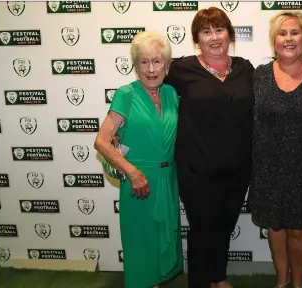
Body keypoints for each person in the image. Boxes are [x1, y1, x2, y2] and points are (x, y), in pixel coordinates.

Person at [163, 7, 255, 288]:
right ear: (196, 39)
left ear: (230, 34)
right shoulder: (182, 69)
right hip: (196, 167)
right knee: (203, 227)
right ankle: (201, 282)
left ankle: (218, 276)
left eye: (219, 30)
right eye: (206, 31)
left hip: (238, 167)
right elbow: (153, 91)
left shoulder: (245, 68)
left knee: (225, 225)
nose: (214, 37)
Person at [248, 11, 302, 288]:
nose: (288, 39)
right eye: (282, 34)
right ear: (274, 40)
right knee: (275, 228)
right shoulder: (258, 76)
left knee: (298, 230)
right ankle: (281, 282)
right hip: (267, 166)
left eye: (295, 33)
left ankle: (298, 283)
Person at [94, 31, 183, 288]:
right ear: (136, 66)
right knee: (141, 243)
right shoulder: (127, 94)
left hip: (167, 179)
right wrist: (133, 173)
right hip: (138, 183)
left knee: (162, 240)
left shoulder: (171, 94)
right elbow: (102, 141)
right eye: (144, 62)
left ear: (167, 66)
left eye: (157, 61)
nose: (151, 69)